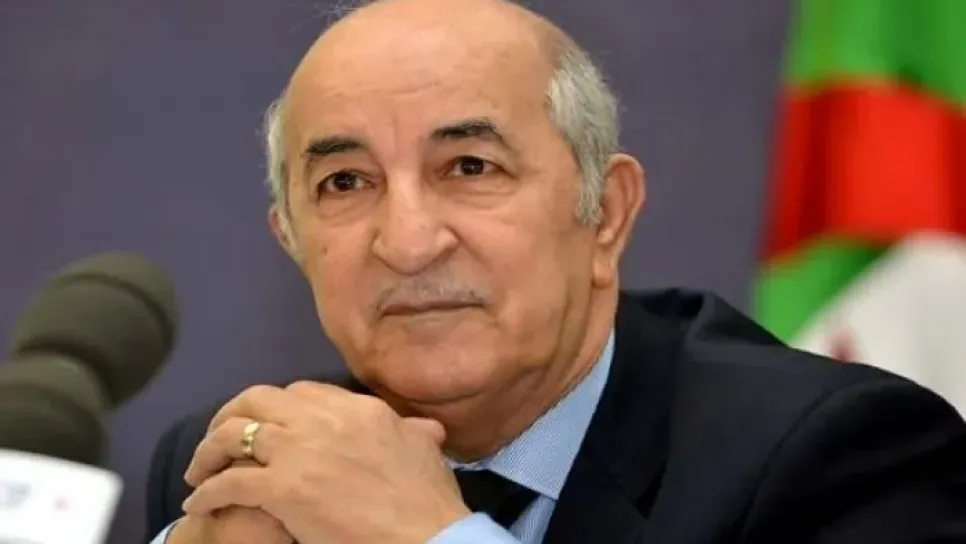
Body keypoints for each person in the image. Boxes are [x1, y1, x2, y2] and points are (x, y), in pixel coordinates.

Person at [145, 0, 966, 542]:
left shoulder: (835, 454)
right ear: (292, 240)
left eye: (470, 167)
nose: (408, 241)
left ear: (604, 213)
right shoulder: (242, 463)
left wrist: (432, 538)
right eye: (345, 183)